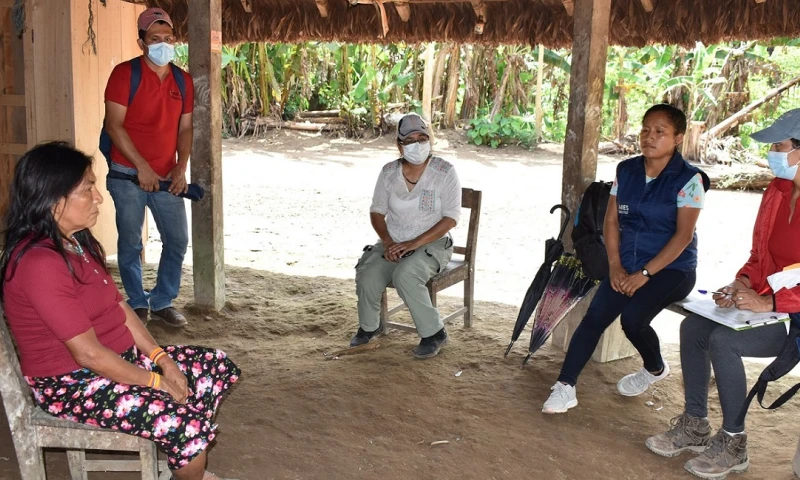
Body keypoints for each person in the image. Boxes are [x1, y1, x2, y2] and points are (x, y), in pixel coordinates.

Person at [0, 142, 240, 480]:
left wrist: (161, 359)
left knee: (215, 366)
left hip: (115, 360)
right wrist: (156, 383)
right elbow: (87, 355)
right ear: (54, 200)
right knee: (185, 424)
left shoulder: (75, 242)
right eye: (87, 188)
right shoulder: (39, 263)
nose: (98, 197)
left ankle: (181, 442)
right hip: (72, 385)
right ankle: (185, 443)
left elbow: (119, 306)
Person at [646, 108, 800, 479]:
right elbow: (759, 255)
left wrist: (769, 302)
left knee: (723, 341)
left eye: (779, 146)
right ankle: (696, 424)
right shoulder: (777, 191)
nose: (772, 154)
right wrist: (743, 283)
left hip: (792, 316)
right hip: (768, 304)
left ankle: (734, 442)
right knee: (693, 329)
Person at [542, 104, 709, 413]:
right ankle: (565, 386)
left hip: (673, 268)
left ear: (678, 138)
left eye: (660, 132)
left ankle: (655, 368)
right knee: (595, 318)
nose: (649, 137)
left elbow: (682, 237)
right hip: (627, 264)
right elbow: (611, 222)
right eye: (645, 130)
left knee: (633, 319)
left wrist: (644, 274)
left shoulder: (689, 180)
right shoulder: (626, 170)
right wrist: (615, 266)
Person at [104, 7, 194, 327]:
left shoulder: (182, 81)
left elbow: (184, 129)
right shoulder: (125, 74)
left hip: (167, 175)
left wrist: (181, 167)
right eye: (155, 39)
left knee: (178, 240)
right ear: (142, 42)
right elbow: (114, 126)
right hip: (127, 174)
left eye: (168, 38)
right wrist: (140, 166)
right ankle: (137, 302)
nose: (163, 44)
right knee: (131, 241)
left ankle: (163, 300)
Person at [351, 113, 461, 359]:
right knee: (368, 272)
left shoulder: (444, 171)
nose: (417, 144)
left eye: (422, 138)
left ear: (430, 140)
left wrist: (413, 244)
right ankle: (369, 327)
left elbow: (451, 218)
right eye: (410, 140)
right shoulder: (389, 172)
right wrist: (389, 242)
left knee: (406, 274)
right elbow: (377, 211)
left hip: (433, 243)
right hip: (394, 242)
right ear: (399, 145)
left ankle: (434, 333)